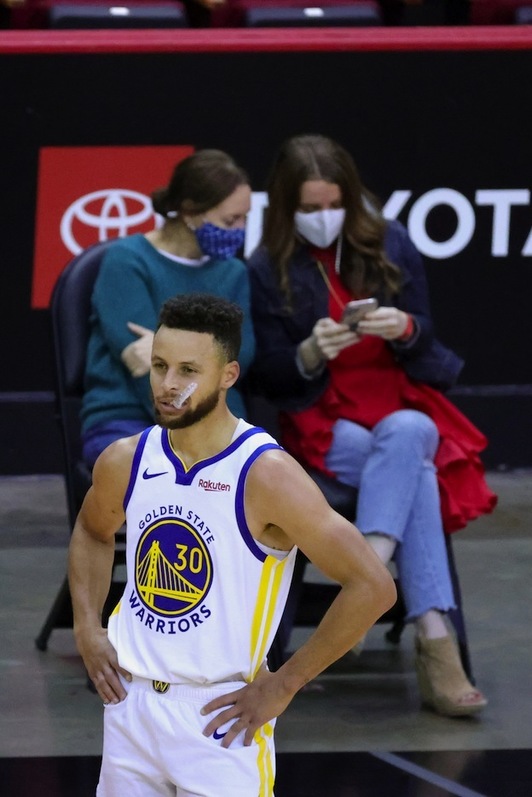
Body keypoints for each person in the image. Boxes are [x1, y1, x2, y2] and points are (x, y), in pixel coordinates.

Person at [68, 292, 396, 796]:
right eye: (159, 366)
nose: (169, 384)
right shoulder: (125, 460)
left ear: (228, 375)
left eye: (187, 370)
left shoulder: (267, 475)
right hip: (130, 707)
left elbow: (373, 586)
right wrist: (87, 627)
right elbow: (93, 531)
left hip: (221, 717)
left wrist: (285, 683)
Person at [247, 133, 497, 717]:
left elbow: (425, 332)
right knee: (417, 468)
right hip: (325, 418)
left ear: (351, 197)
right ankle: (434, 638)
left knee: (408, 432)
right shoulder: (266, 267)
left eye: (334, 204)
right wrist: (310, 352)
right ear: (287, 207)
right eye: (309, 208)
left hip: (394, 402)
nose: (323, 216)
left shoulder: (392, 242)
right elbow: (267, 376)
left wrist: (404, 329)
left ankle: (367, 572)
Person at [80, 148, 255, 468]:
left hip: (218, 420)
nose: (241, 229)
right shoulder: (127, 261)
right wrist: (204, 362)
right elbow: (144, 366)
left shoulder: (234, 272)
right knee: (168, 472)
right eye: (231, 220)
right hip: (125, 417)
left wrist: (170, 355)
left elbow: (241, 355)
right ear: (189, 211)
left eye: (245, 218)